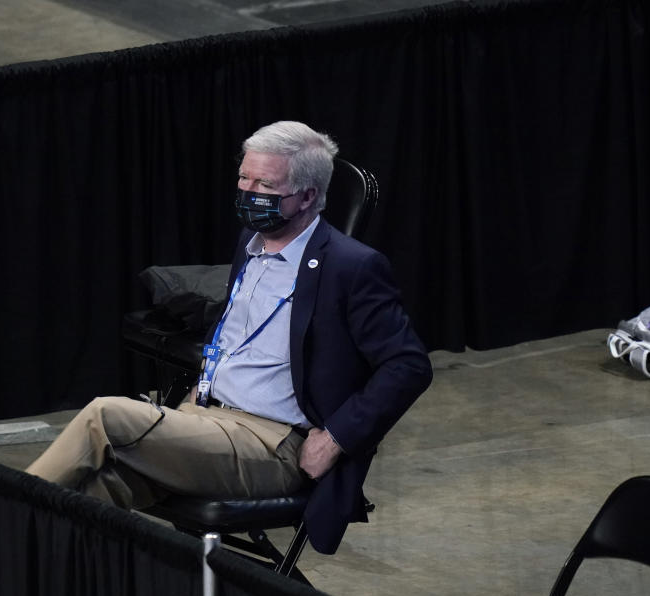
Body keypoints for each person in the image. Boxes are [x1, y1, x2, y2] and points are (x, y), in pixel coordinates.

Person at [27, 121, 432, 553]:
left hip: (270, 444)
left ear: (308, 196)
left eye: (265, 183)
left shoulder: (352, 266)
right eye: (244, 177)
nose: (248, 191)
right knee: (91, 498)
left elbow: (408, 366)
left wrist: (335, 438)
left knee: (104, 415)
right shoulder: (251, 242)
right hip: (206, 418)